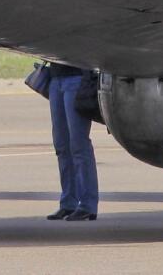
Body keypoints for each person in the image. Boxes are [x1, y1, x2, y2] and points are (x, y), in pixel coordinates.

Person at [45, 62, 98, 221]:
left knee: (78, 143)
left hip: (77, 77)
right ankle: (68, 202)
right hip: (56, 77)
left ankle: (88, 204)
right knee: (61, 144)